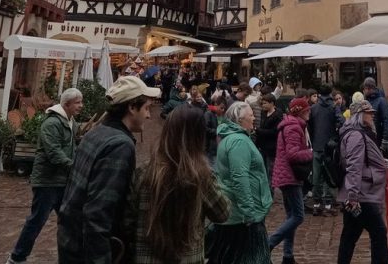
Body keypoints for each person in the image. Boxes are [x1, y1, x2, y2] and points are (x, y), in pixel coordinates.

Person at [58, 76, 160, 264]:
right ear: (131, 107)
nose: (149, 115)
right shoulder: (119, 145)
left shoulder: (97, 132)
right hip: (86, 250)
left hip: (71, 241)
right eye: (146, 108)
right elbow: (98, 212)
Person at [126, 107, 229, 264]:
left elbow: (129, 218)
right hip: (187, 258)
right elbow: (222, 213)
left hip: (146, 257)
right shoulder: (201, 176)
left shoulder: (144, 172)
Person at [7, 88, 84, 264]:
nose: (81, 106)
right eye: (78, 102)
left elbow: (71, 148)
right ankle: (16, 257)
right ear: (66, 104)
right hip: (47, 181)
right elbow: (54, 152)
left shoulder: (70, 122)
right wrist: (74, 166)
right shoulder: (52, 123)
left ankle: (72, 257)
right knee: (37, 220)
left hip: (62, 181)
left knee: (70, 219)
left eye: (81, 102)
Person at [207, 101, 273, 264]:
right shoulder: (238, 142)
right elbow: (239, 178)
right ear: (240, 120)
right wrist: (249, 212)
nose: (254, 119)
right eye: (250, 115)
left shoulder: (232, 138)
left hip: (236, 215)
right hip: (242, 218)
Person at [336, 99, 388, 264]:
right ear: (360, 115)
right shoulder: (356, 135)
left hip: (360, 192)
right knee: (379, 233)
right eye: (369, 112)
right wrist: (353, 196)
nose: (372, 115)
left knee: (350, 236)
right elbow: (354, 166)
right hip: (362, 194)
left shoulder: (361, 133)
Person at [268, 97, 313, 264]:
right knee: (298, 216)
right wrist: (310, 153)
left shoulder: (292, 125)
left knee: (291, 217)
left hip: (287, 175)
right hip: (290, 177)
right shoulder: (293, 127)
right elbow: (293, 154)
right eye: (307, 110)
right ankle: (269, 243)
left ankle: (288, 256)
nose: (309, 112)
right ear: (300, 111)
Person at [308, 82, 342, 216]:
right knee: (328, 175)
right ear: (330, 93)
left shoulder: (314, 108)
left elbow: (309, 124)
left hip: (316, 144)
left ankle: (316, 203)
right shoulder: (334, 107)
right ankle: (327, 204)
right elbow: (341, 122)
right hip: (329, 146)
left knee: (317, 176)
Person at [254, 92, 284, 182]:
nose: (263, 105)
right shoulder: (263, 112)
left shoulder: (277, 115)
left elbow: (275, 131)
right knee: (263, 169)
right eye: (262, 103)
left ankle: (271, 191)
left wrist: (259, 130)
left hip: (272, 147)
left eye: (265, 103)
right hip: (262, 146)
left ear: (272, 103)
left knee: (270, 170)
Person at [362, 77, 388, 146]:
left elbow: (386, 120)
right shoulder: (367, 100)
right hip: (369, 137)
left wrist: (385, 139)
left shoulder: (381, 101)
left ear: (370, 88)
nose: (363, 91)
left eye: (365, 89)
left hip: (378, 138)